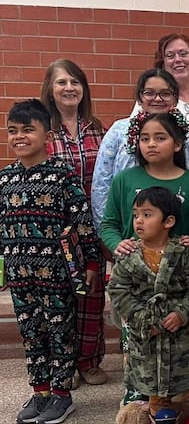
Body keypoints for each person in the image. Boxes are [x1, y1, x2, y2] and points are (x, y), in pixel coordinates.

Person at [100, 111, 189, 405]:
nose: (150, 144)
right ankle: (139, 392)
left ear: (177, 144)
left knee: (183, 344)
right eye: (144, 138)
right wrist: (116, 244)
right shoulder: (125, 179)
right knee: (137, 342)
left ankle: (185, 396)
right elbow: (109, 223)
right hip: (137, 281)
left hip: (177, 285)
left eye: (159, 138)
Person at [3, 99, 102, 424]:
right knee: (30, 331)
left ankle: (62, 394)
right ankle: (40, 391)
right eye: (12, 131)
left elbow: (82, 220)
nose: (19, 136)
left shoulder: (63, 175)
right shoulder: (4, 180)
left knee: (60, 329)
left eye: (27, 130)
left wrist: (90, 264)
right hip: (19, 273)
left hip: (57, 272)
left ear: (46, 135)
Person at [106, 187, 189, 424]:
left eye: (147, 214)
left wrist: (181, 313)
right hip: (147, 341)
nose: (139, 220)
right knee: (156, 396)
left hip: (181, 341)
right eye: (136, 214)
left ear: (168, 221)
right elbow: (118, 290)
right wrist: (143, 319)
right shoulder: (128, 256)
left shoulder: (184, 254)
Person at [40, 58, 109, 387]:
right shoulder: (42, 130)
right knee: (60, 296)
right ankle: (63, 362)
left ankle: (88, 360)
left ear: (84, 89)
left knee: (91, 294)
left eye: (75, 82)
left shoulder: (97, 128)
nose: (69, 88)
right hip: (55, 227)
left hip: (92, 226)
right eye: (62, 82)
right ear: (50, 90)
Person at [92, 68, 189, 231]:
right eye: (149, 93)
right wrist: (106, 235)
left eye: (165, 93)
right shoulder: (118, 131)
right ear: (140, 98)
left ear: (176, 98)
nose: (157, 99)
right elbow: (102, 184)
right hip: (129, 234)